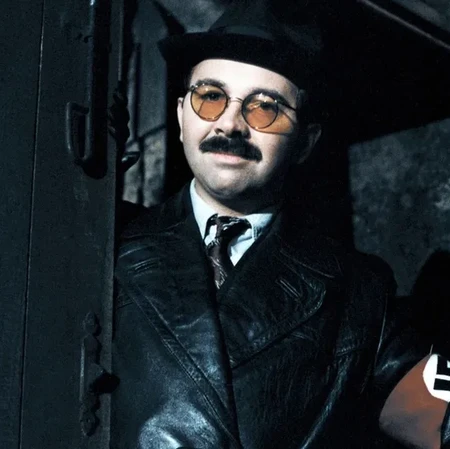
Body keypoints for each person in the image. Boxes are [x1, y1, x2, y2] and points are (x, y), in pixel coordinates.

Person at [111, 1, 449, 448]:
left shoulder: (359, 293)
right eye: (210, 97)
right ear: (180, 115)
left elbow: (437, 419)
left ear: (305, 142)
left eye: (264, 109)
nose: (230, 124)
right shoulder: (105, 241)